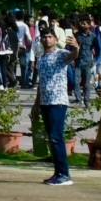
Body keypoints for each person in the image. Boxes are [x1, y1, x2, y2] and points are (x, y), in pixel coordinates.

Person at [36, 29, 78, 186]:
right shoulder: (41, 58)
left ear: (55, 39)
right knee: (51, 138)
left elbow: (72, 56)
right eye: (44, 37)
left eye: (50, 37)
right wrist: (36, 105)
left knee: (56, 137)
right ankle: (58, 172)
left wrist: (76, 48)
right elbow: (41, 83)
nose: (47, 40)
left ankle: (64, 174)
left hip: (58, 101)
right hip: (45, 101)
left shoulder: (60, 54)